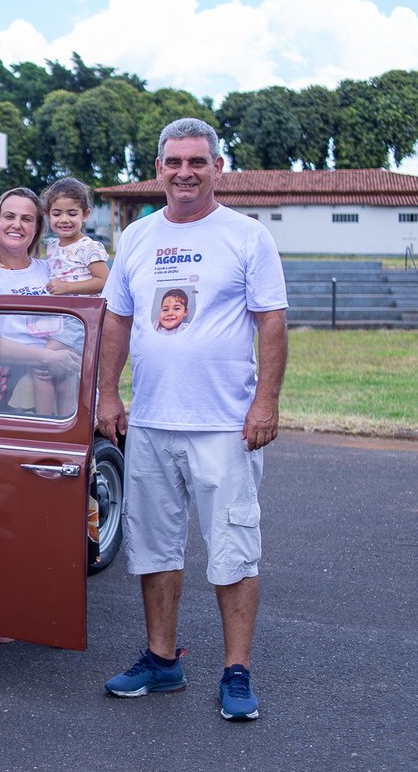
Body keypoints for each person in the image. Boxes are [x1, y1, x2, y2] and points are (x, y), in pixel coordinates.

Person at [96, 117, 288, 722]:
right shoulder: (138, 237)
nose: (185, 172)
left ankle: (237, 672)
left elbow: (272, 322)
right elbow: (118, 321)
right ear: (158, 168)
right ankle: (161, 661)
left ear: (217, 167)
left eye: (197, 162)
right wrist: (107, 393)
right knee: (153, 548)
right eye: (173, 162)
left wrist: (265, 403)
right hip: (151, 421)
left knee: (233, 549)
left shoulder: (247, 236)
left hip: (224, 425)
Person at [0, 188, 82, 417]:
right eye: (9, 216)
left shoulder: (52, 270)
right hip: (12, 391)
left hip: (65, 380)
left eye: (27, 219)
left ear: (37, 227)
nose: (17, 224)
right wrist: (46, 357)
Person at [41, 178, 110, 295]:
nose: (64, 220)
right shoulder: (51, 245)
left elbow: (105, 281)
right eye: (57, 214)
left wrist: (67, 287)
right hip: (60, 312)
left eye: (72, 214)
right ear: (48, 215)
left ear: (85, 215)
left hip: (84, 312)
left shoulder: (89, 247)